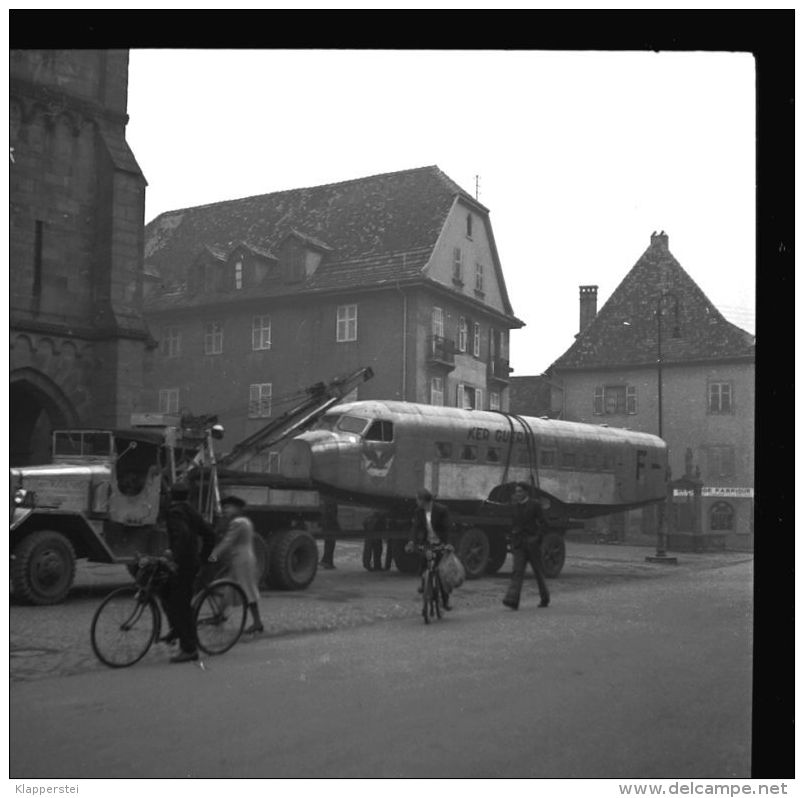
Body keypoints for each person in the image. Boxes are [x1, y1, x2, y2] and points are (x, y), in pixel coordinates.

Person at [161, 482, 216, 663]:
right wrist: (203, 558)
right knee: (166, 592)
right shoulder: (192, 511)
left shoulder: (175, 512)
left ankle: (189, 649)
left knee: (180, 604)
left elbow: (183, 535)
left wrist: (173, 554)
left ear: (171, 495)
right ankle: (176, 630)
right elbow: (210, 534)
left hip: (182, 564)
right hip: (190, 562)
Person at [208, 495, 264, 634]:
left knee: (247, 590)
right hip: (242, 559)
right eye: (224, 507)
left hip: (242, 561)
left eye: (228, 507)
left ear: (237, 509)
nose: (225, 510)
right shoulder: (244, 521)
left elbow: (228, 542)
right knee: (229, 588)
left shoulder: (238, 522)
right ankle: (220, 615)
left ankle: (257, 622)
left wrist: (213, 555)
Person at [502, 482, 550, 611]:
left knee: (538, 572)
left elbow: (544, 524)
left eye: (519, 491)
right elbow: (513, 524)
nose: (517, 494)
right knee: (517, 572)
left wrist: (537, 538)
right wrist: (513, 536)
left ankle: (545, 598)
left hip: (532, 544)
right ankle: (513, 600)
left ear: (525, 492)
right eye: (516, 491)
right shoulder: (515, 507)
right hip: (519, 544)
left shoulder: (535, 505)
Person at [405, 488, 454, 610]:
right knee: (423, 560)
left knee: (442, 573)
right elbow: (415, 528)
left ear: (423, 500)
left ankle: (445, 600)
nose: (416, 501)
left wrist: (448, 544)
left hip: (441, 543)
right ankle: (424, 584)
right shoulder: (419, 512)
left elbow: (448, 528)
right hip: (427, 542)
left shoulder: (442, 510)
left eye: (417, 499)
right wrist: (411, 542)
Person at [319, 497, 340, 569]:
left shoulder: (327, 501)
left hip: (326, 526)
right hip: (330, 526)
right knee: (331, 544)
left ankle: (328, 562)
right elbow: (332, 515)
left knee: (328, 544)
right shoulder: (332, 501)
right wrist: (337, 526)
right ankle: (327, 561)